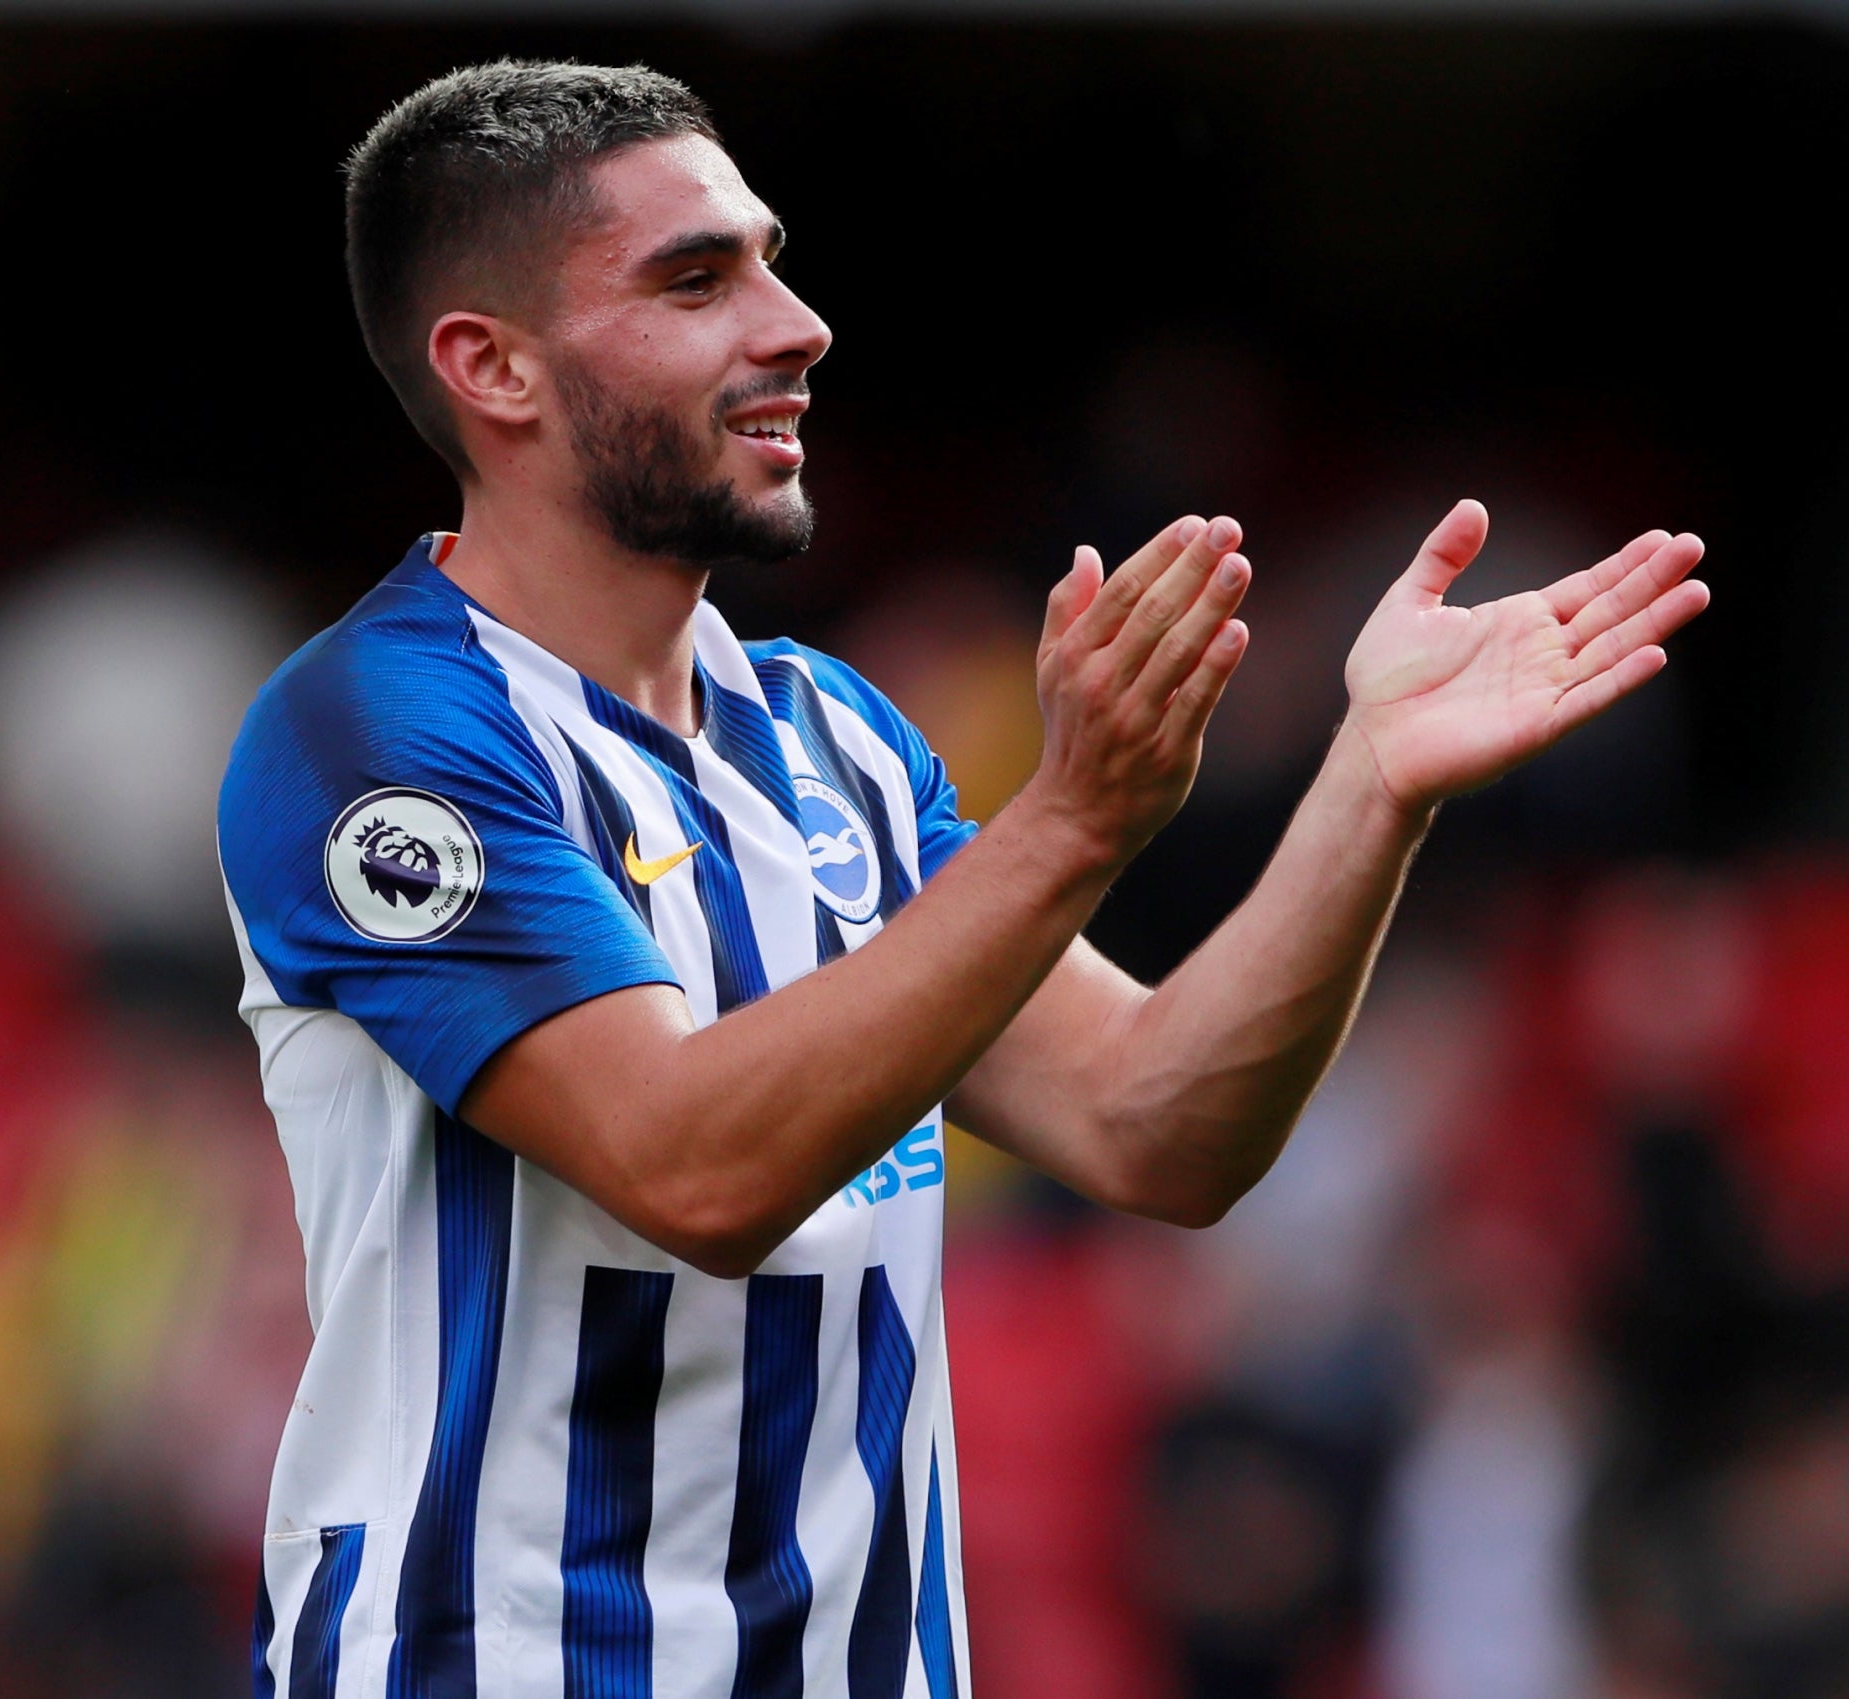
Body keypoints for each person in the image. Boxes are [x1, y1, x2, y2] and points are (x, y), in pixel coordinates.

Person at [216, 58, 1708, 1699]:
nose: (796, 326)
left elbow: (1157, 1122)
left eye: (773, 261)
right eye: (698, 279)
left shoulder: (836, 739)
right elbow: (692, 1169)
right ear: (491, 366)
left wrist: (1373, 788)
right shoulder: (377, 733)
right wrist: (1069, 825)